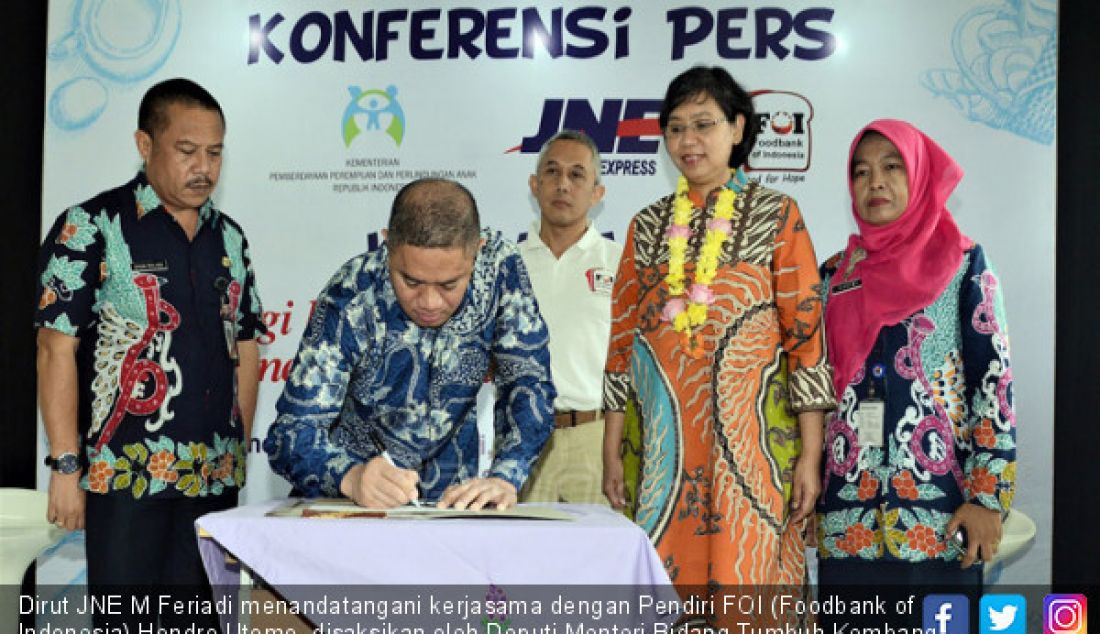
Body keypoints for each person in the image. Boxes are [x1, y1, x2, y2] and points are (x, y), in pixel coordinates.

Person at [601, 66, 836, 613]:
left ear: (737, 128)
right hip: (663, 457)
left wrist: (810, 454)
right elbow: (620, 346)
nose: (688, 141)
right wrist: (612, 450)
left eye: (704, 124)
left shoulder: (779, 216)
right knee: (663, 596)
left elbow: (806, 340)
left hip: (754, 456)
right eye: (676, 127)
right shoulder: (645, 226)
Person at [34, 78, 264, 628]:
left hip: (212, 484)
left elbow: (248, 344)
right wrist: (67, 465)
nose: (204, 167)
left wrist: (237, 450)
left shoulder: (229, 238)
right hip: (124, 481)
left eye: (215, 152)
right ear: (145, 145)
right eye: (187, 151)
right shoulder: (91, 226)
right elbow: (53, 348)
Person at [815, 119, 1016, 624]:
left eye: (891, 167)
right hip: (848, 526)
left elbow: (993, 386)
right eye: (861, 172)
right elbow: (813, 392)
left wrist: (987, 500)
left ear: (920, 175)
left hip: (941, 523)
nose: (874, 182)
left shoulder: (963, 264)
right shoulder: (833, 275)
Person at [265, 178, 555, 511]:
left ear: (477, 250)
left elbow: (529, 380)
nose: (430, 302)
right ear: (387, 244)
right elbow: (290, 434)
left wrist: (506, 476)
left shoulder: (500, 269)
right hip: (355, 510)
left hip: (451, 508)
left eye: (449, 284)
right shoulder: (351, 296)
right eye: (411, 281)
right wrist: (351, 476)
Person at [518, 130, 622, 504]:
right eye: (552, 172)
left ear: (597, 192)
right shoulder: (506, 265)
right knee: (523, 558)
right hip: (522, 440)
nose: (563, 184)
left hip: (596, 438)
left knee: (598, 560)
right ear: (534, 184)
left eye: (577, 175)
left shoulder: (622, 263)